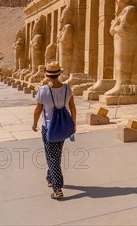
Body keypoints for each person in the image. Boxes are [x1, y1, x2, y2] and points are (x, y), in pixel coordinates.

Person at [32, 61, 76, 200]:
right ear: (59, 74)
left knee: (51, 156)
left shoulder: (43, 91)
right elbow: (73, 107)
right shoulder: (68, 89)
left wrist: (34, 124)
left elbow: (38, 109)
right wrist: (74, 124)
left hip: (48, 128)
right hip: (63, 126)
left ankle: (57, 188)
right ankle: (50, 177)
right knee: (56, 154)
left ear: (47, 74)